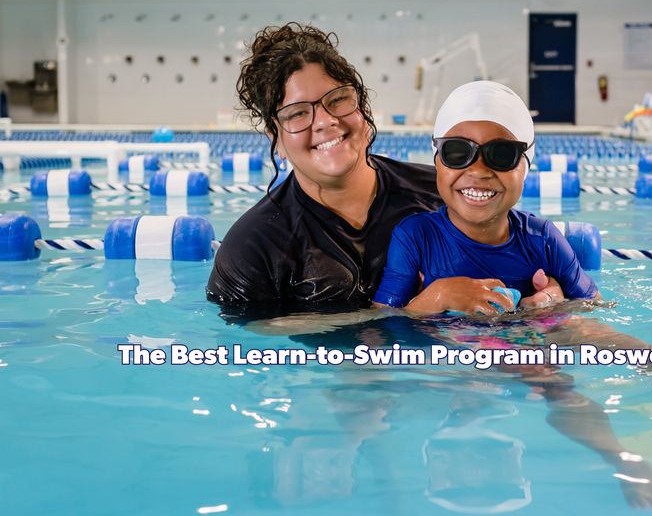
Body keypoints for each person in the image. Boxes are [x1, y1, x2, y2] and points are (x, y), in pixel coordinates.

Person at [206, 23, 568, 309]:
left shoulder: (444, 194)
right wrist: (428, 303)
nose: (325, 121)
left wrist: (547, 298)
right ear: (276, 138)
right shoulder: (252, 248)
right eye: (298, 113)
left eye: (338, 100)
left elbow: (521, 256)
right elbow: (255, 348)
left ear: (363, 109)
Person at [373, 81, 601, 314]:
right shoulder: (416, 238)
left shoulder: (543, 240)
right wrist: (438, 296)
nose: (479, 170)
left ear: (526, 167)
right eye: (457, 152)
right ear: (437, 160)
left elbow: (599, 313)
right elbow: (382, 327)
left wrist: (555, 313)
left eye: (502, 154)